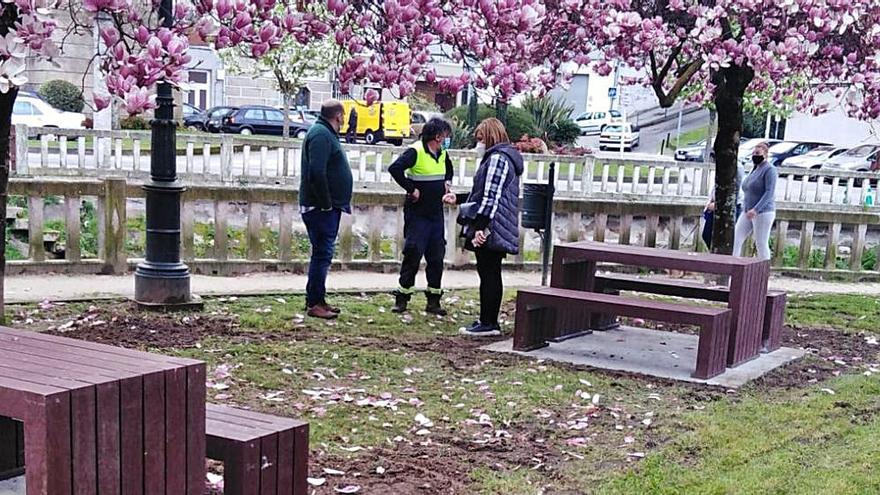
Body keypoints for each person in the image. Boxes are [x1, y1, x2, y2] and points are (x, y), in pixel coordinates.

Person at [444, 118, 524, 336]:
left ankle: (488, 323)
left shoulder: (498, 159)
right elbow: (483, 192)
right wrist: (459, 198)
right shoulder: (504, 158)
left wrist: (481, 227)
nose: (478, 143)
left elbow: (490, 197)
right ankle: (488, 320)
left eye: (480, 138)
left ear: (490, 137)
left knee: (489, 273)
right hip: (498, 223)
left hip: (492, 224)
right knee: (490, 272)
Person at [388, 117, 454, 315]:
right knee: (413, 252)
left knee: (436, 256)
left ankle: (433, 300)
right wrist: (411, 189)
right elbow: (395, 168)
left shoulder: (442, 153)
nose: (447, 139)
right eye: (445, 136)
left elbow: (449, 170)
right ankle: (402, 298)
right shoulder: (415, 151)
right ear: (437, 136)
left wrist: (447, 183)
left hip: (436, 213)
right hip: (418, 213)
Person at [300, 100, 353, 319]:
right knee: (322, 254)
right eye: (344, 115)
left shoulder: (324, 132)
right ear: (339, 116)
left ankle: (318, 298)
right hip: (321, 208)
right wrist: (326, 203)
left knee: (322, 254)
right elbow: (317, 172)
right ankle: (315, 303)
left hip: (327, 207)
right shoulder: (321, 134)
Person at [733, 143, 777, 261]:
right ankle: (732, 264)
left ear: (765, 154)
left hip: (763, 212)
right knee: (736, 237)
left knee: (761, 242)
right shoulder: (754, 169)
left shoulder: (769, 170)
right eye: (753, 153)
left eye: (758, 153)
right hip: (747, 209)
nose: (755, 156)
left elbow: (769, 192)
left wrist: (756, 209)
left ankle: (764, 268)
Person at [702, 162, 745, 249]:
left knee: (727, 238)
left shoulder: (737, 167)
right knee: (707, 235)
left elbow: (736, 190)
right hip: (715, 203)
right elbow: (715, 186)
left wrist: (718, 205)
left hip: (731, 206)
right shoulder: (720, 165)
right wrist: (709, 203)